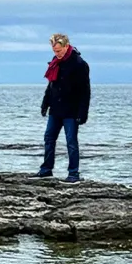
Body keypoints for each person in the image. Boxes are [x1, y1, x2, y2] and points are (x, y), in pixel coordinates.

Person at [32, 33, 90, 182]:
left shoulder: (79, 64)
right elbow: (51, 85)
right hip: (55, 108)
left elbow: (85, 91)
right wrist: (45, 104)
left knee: (71, 142)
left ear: (66, 46)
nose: (56, 53)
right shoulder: (55, 62)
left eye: (58, 50)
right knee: (49, 138)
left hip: (72, 110)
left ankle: (73, 173)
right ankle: (46, 169)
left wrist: (82, 113)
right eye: (54, 51)